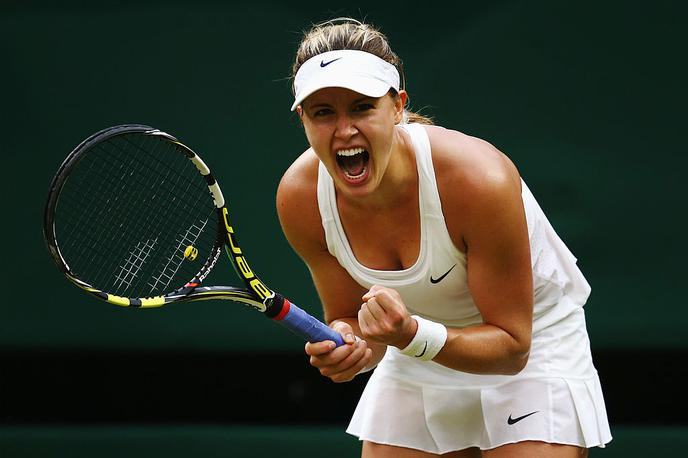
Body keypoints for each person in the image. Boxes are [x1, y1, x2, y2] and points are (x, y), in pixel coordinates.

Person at [276, 17, 612, 458]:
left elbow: (512, 348)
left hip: (530, 359)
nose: (344, 130)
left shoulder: (478, 178)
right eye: (324, 112)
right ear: (302, 118)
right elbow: (355, 323)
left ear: (398, 107)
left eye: (361, 107)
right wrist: (352, 345)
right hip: (415, 359)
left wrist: (409, 333)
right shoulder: (300, 199)